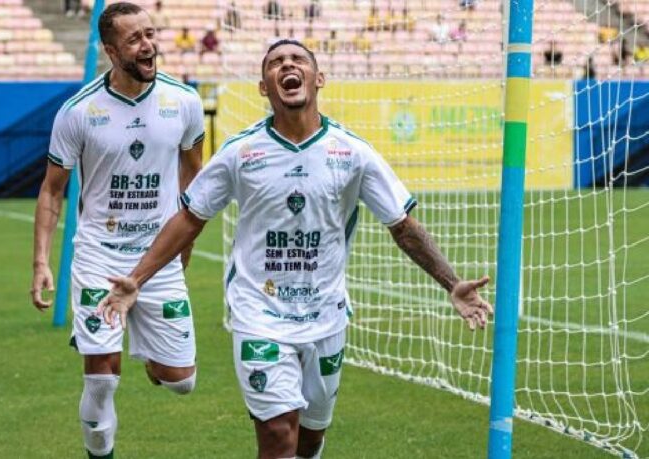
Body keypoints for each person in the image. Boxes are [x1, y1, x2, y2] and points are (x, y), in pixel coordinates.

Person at [95, 39, 493, 459]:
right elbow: (190, 217)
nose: (288, 65)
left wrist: (451, 283)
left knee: (309, 439)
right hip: (258, 315)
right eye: (275, 63)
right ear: (265, 87)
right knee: (278, 435)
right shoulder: (240, 152)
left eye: (298, 60)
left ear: (318, 78)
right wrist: (136, 280)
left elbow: (402, 225)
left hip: (326, 318)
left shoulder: (353, 153)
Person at [30, 3, 205, 458]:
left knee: (182, 382)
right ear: (109, 50)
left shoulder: (184, 102)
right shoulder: (78, 112)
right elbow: (52, 191)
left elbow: (194, 176)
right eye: (134, 39)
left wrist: (185, 241)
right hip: (99, 256)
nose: (148, 46)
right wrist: (41, 263)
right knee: (102, 376)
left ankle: (151, 354)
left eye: (151, 34)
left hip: (158, 257)